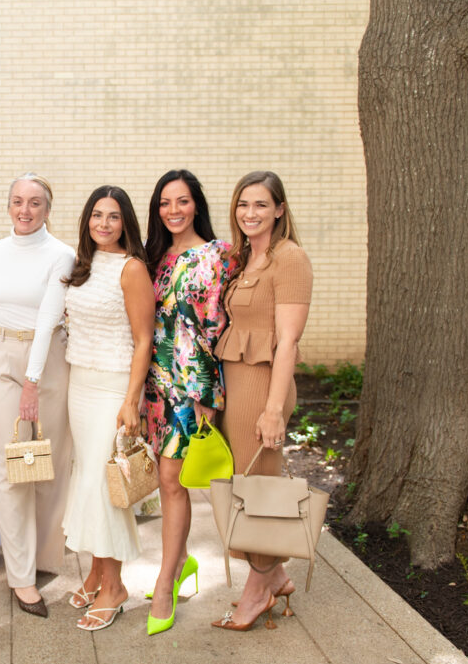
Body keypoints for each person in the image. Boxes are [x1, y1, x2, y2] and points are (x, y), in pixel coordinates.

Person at [211, 171, 312, 632]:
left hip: (264, 386)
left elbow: (288, 341)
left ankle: (255, 593)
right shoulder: (246, 257)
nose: (249, 213)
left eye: (260, 205)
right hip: (238, 385)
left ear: (279, 210)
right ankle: (276, 575)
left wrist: (273, 409)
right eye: (242, 205)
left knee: (258, 491)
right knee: (244, 483)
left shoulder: (288, 258)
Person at [140, 170, 231, 635]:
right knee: (163, 480)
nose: (173, 210)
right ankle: (182, 562)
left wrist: (208, 393)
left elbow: (219, 326)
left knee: (174, 479)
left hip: (191, 387)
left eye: (182, 201)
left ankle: (164, 580)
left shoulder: (219, 255)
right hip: (154, 384)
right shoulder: (151, 258)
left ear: (197, 204)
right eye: (164, 203)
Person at [61, 185, 153, 631]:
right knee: (88, 479)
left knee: (105, 487)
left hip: (114, 389)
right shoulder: (82, 265)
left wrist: (130, 400)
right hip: (80, 383)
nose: (103, 223)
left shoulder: (131, 268)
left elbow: (143, 340)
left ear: (125, 223)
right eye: (96, 214)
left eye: (113, 216)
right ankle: (97, 573)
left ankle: (115, 586)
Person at [0, 173, 74, 617]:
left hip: (47, 359)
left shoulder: (62, 255)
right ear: (9, 205)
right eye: (18, 201)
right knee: (11, 464)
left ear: (48, 208)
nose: (25, 210)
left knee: (47, 464)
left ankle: (44, 557)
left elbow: (48, 317)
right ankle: (20, 577)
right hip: (0, 356)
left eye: (35, 202)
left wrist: (33, 382)